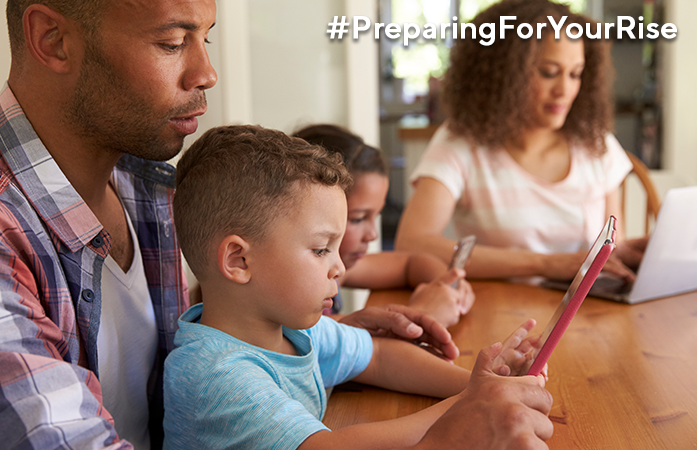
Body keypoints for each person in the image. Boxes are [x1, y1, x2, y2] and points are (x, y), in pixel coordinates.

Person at [0, 1, 464, 448]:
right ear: (53, 40)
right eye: (172, 42)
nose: (207, 73)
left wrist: (313, 334)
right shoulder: (8, 236)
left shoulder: (145, 182)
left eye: (206, 37)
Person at [164, 124, 550, 449]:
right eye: (320, 249)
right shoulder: (214, 375)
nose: (340, 266)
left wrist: (480, 384)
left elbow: (380, 357)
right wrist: (472, 404)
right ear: (238, 261)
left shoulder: (294, 330)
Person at [395, 0, 648, 282]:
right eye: (549, 72)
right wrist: (544, 264)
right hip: (500, 314)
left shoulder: (595, 142)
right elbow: (412, 242)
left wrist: (625, 253)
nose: (565, 89)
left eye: (576, 74)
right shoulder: (461, 143)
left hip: (588, 316)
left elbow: (609, 247)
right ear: (504, 74)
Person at [294, 124, 474, 327]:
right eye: (358, 218)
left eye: (376, 216)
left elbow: (410, 264)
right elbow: (331, 337)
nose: (372, 235)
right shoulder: (299, 289)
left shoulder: (338, 269)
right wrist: (418, 315)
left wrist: (446, 283)